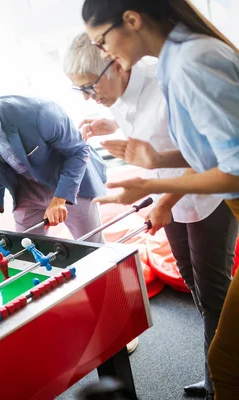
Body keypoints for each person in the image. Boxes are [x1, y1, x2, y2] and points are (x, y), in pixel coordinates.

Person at [65, 31, 238, 395]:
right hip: (168, 193)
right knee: (192, 279)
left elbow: (204, 155)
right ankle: (217, 359)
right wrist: (110, 125)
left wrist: (162, 203)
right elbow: (150, 134)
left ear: (116, 64)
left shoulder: (167, 81)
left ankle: (220, 375)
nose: (89, 98)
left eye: (90, 88)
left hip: (208, 197)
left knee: (213, 288)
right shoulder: (116, 89)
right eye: (80, 91)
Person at [0, 70, 107, 242]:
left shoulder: (40, 113)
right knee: (27, 251)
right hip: (26, 191)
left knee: (93, 247)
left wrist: (59, 199)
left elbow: (78, 151)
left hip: (69, 181)